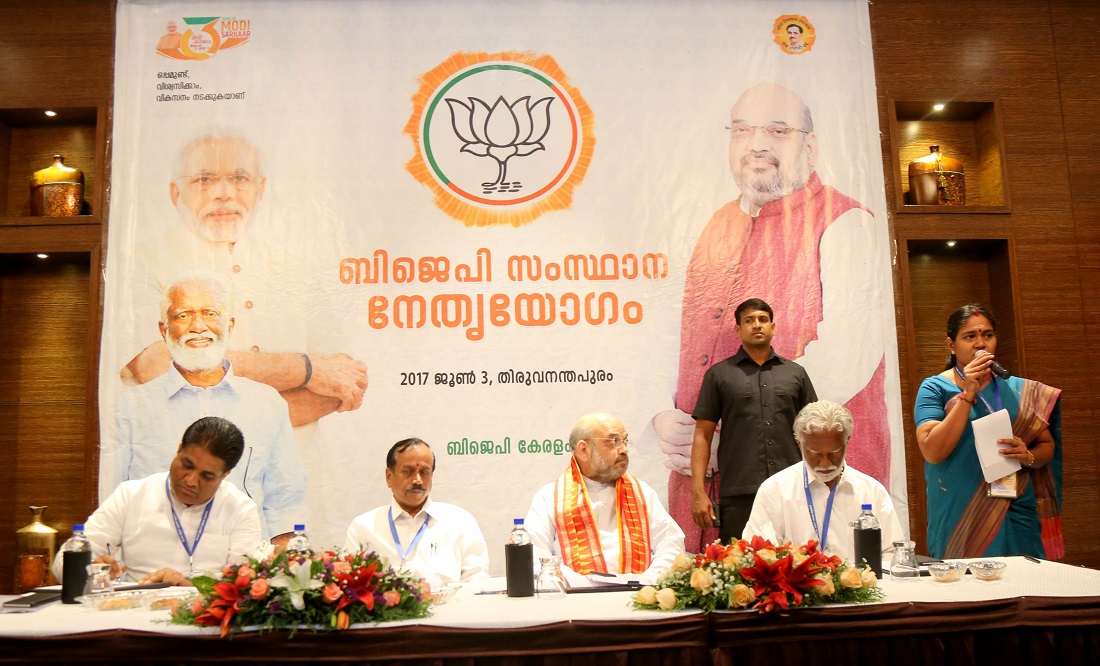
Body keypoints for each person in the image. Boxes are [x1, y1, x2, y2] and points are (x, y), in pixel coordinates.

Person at [652, 82, 890, 551]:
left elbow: (847, 359)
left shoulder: (847, 220)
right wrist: (665, 417)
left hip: (811, 475)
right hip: (708, 477)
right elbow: (674, 341)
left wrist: (735, 437)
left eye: (777, 130)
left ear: (810, 144)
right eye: (742, 130)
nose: (757, 143)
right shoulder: (715, 224)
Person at [119, 132, 368, 426]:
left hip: (292, 468)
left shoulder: (295, 269)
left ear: (260, 189)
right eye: (204, 179)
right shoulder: (141, 262)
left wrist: (209, 396)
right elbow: (158, 366)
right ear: (176, 193)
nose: (223, 193)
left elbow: (343, 380)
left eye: (239, 179)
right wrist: (306, 369)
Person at [115, 276, 307, 545]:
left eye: (210, 313)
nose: (198, 326)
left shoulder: (265, 402)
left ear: (229, 324)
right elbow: (114, 495)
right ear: (163, 328)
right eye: (183, 315)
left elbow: (285, 497)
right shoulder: (132, 407)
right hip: (157, 561)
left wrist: (279, 573)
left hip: (243, 567)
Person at [914, 304, 1063, 560]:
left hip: (1016, 506)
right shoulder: (935, 387)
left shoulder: (1018, 389)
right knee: (967, 588)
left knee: (1024, 585)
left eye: (988, 335)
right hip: (960, 511)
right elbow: (932, 451)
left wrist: (1026, 455)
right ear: (952, 345)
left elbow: (1047, 446)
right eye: (970, 336)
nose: (980, 343)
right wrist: (968, 394)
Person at [52, 417, 261, 586]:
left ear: (225, 475)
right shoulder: (131, 495)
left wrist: (187, 587)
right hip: (134, 619)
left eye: (206, 476)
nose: (190, 481)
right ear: (179, 450)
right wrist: (88, 570)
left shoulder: (240, 509)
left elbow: (243, 583)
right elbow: (62, 563)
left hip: (206, 623)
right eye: (187, 465)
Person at [689, 299, 818, 544]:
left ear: (773, 327)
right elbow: (702, 435)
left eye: (762, 319)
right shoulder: (719, 374)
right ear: (738, 330)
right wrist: (698, 492)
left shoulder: (795, 374)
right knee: (740, 568)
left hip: (793, 490)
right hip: (739, 492)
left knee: (798, 565)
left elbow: (814, 433)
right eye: (748, 321)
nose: (756, 325)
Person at [524, 413, 685, 585]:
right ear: (584, 450)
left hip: (636, 598)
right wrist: (578, 584)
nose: (624, 449)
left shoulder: (643, 493)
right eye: (613, 441)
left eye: (624, 440)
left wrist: (650, 580)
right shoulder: (549, 497)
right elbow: (534, 554)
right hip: (574, 600)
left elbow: (671, 544)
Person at [744, 400, 904, 563]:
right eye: (815, 453)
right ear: (799, 444)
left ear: (847, 441)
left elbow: (892, 553)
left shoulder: (872, 491)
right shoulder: (774, 491)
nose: (826, 463)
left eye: (834, 452)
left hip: (861, 586)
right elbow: (757, 554)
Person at [344, 438, 488, 584]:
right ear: (389, 477)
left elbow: (476, 580)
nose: (418, 480)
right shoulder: (364, 526)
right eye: (408, 471)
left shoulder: (459, 521)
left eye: (424, 472)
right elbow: (349, 583)